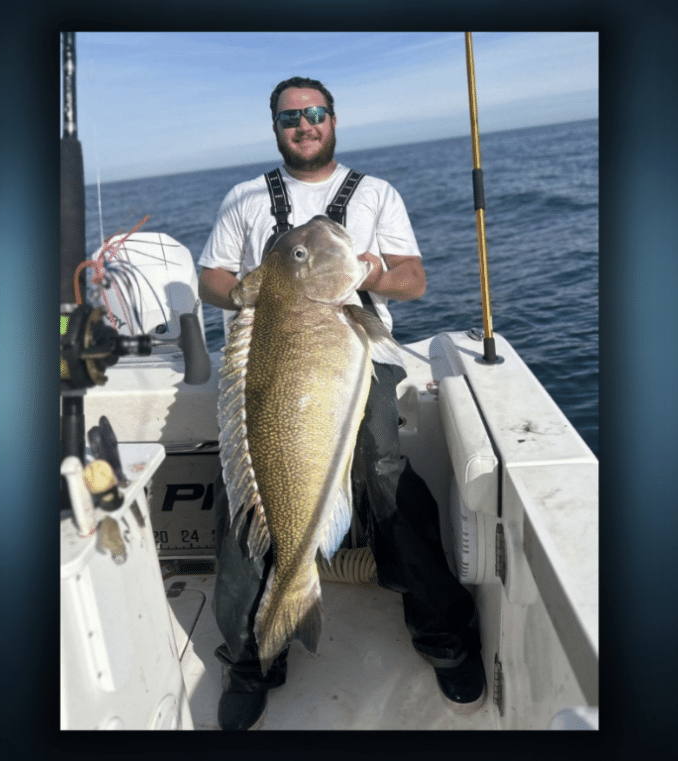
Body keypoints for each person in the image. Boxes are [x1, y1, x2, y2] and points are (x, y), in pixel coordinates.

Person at [198, 76, 486, 731]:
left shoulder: (377, 191)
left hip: (358, 356)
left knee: (386, 469)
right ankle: (249, 660)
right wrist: (251, 294)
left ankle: (443, 635)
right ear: (275, 127)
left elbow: (411, 277)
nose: (303, 124)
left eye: (314, 113)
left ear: (332, 119)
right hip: (272, 369)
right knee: (247, 503)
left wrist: (371, 273)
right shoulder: (243, 198)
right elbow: (211, 277)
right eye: (290, 116)